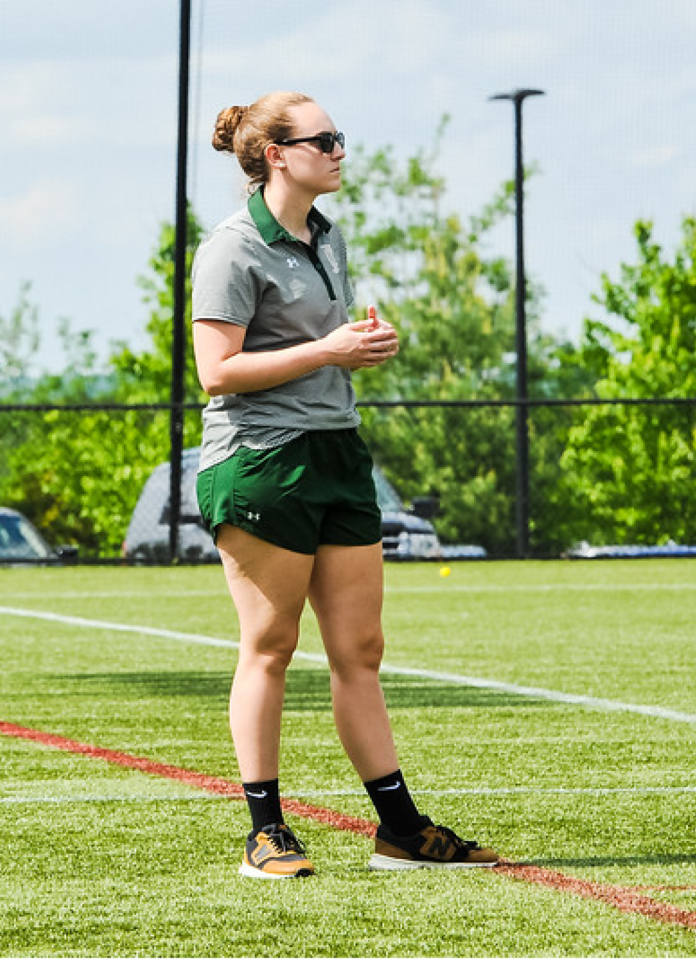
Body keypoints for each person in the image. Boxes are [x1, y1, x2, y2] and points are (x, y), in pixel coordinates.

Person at [191, 91, 497, 878]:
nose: (338, 149)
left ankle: (400, 830)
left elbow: (319, 345)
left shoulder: (326, 235)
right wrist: (328, 351)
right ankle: (265, 832)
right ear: (275, 155)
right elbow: (217, 371)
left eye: (338, 136)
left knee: (360, 648)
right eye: (322, 138)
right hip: (261, 459)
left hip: (337, 453)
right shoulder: (230, 248)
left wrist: (362, 344)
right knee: (271, 644)